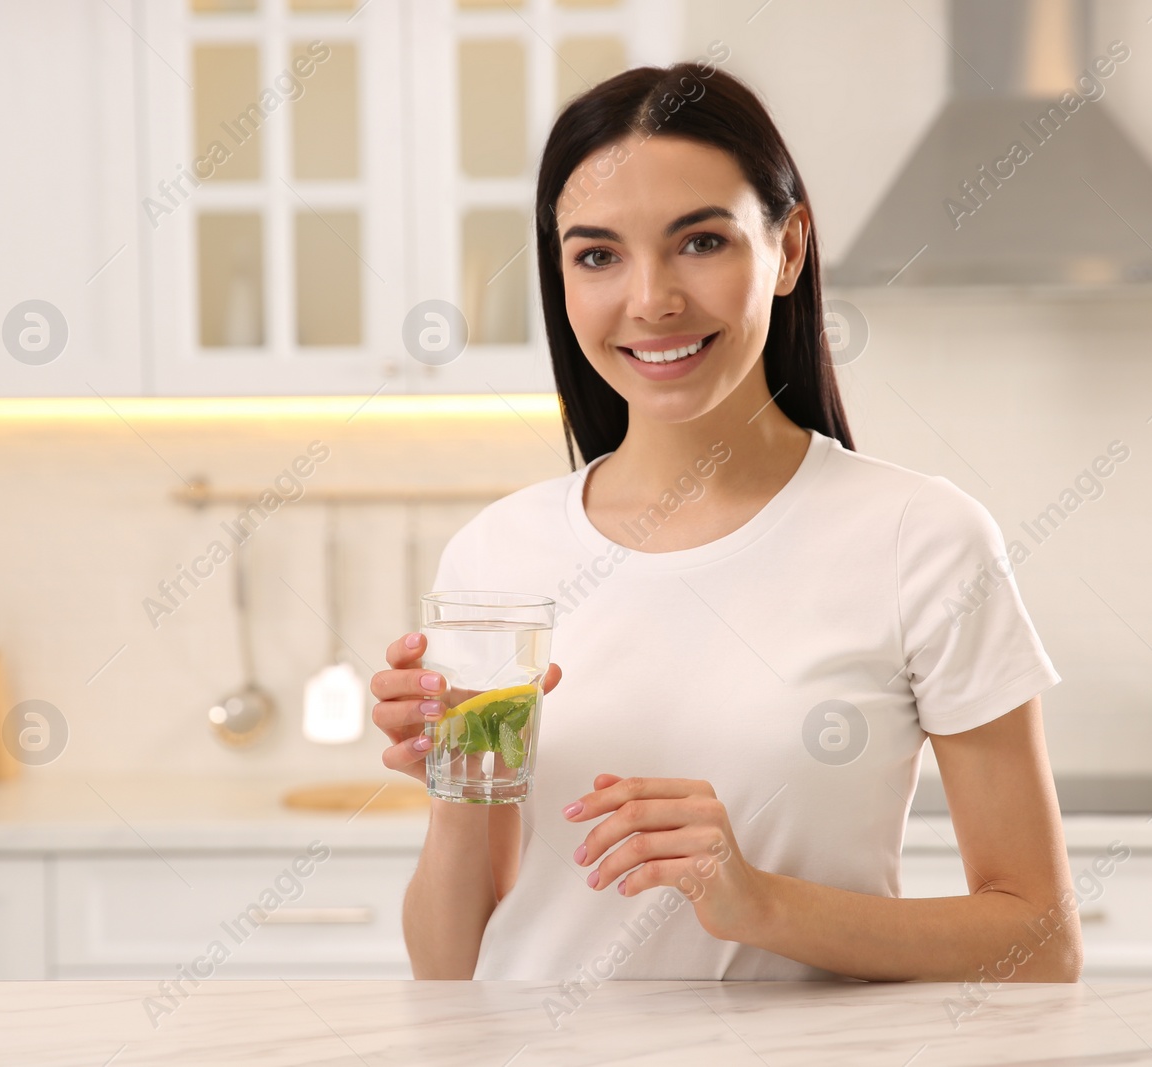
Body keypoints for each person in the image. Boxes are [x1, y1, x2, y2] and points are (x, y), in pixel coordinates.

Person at [373, 61, 1081, 985]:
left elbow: (1039, 942)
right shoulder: (500, 553)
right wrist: (454, 781)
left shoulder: (924, 538)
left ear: (787, 250)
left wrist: (761, 903)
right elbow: (446, 962)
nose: (652, 299)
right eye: (597, 255)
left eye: (700, 242)